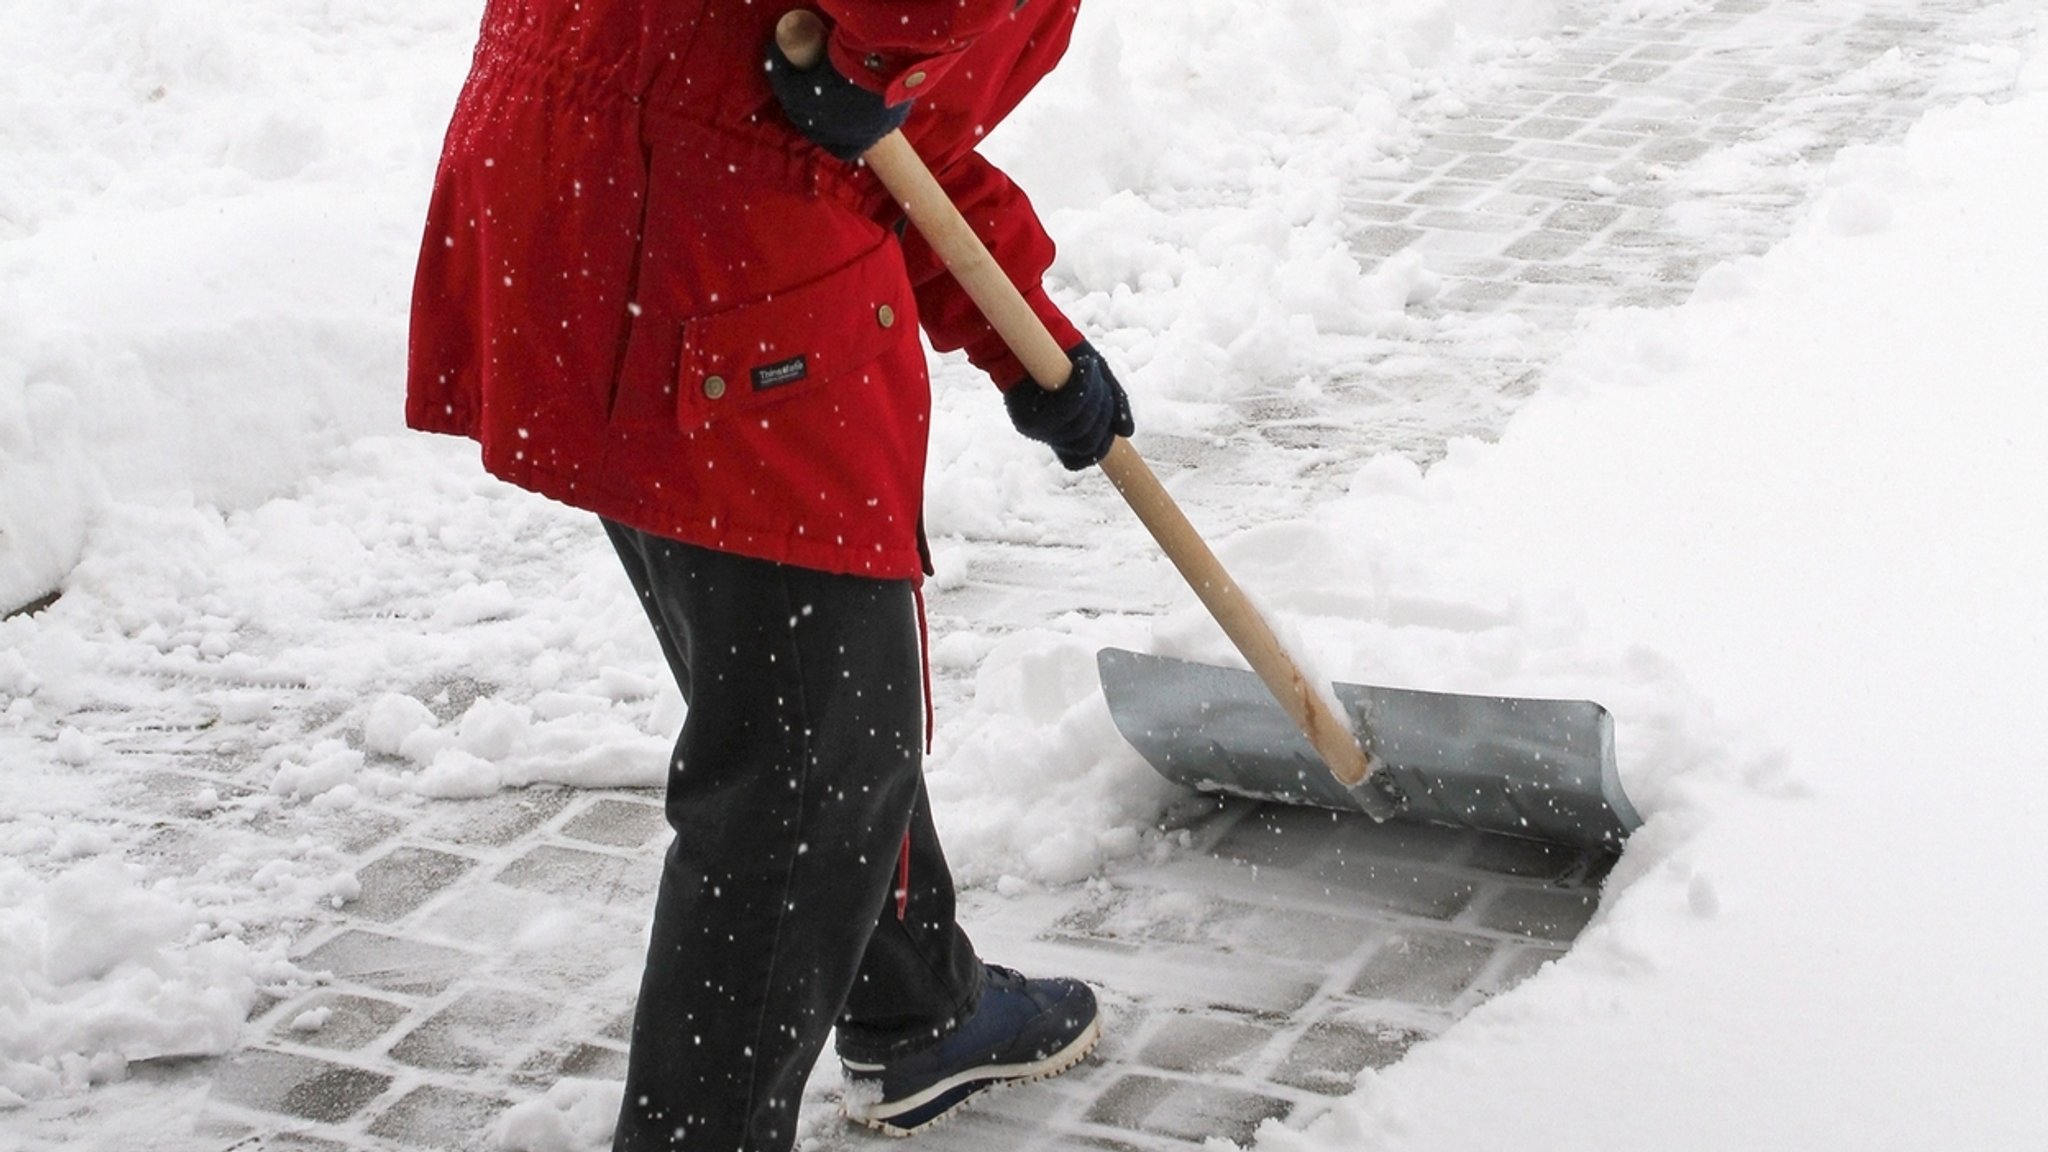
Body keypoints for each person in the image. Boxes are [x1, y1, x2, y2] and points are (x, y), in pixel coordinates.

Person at [404, 2, 1134, 1149]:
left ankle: (914, 1006)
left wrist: (1031, 340)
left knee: (811, 686)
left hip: (595, 158)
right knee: (806, 762)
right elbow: (870, 71)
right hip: (697, 213)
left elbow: (891, 132)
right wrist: (870, 50)